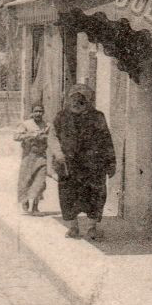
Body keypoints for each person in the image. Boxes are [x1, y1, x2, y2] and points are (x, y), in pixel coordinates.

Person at [51, 84, 114, 240]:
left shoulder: (97, 116)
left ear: (87, 100)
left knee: (95, 194)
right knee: (68, 195)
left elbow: (106, 140)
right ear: (69, 100)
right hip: (69, 165)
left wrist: (111, 163)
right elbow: (52, 137)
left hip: (94, 165)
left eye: (80, 99)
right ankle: (73, 227)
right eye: (73, 98)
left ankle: (92, 227)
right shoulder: (61, 117)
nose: (76, 102)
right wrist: (58, 155)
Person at [12, 103, 50, 215]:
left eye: (40, 111)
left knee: (40, 182)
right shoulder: (26, 124)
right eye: (36, 111)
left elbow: (52, 138)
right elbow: (16, 137)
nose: (38, 113)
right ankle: (25, 200)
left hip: (41, 157)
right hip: (28, 157)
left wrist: (45, 136)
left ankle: (35, 207)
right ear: (32, 113)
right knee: (26, 181)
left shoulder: (47, 125)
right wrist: (32, 135)